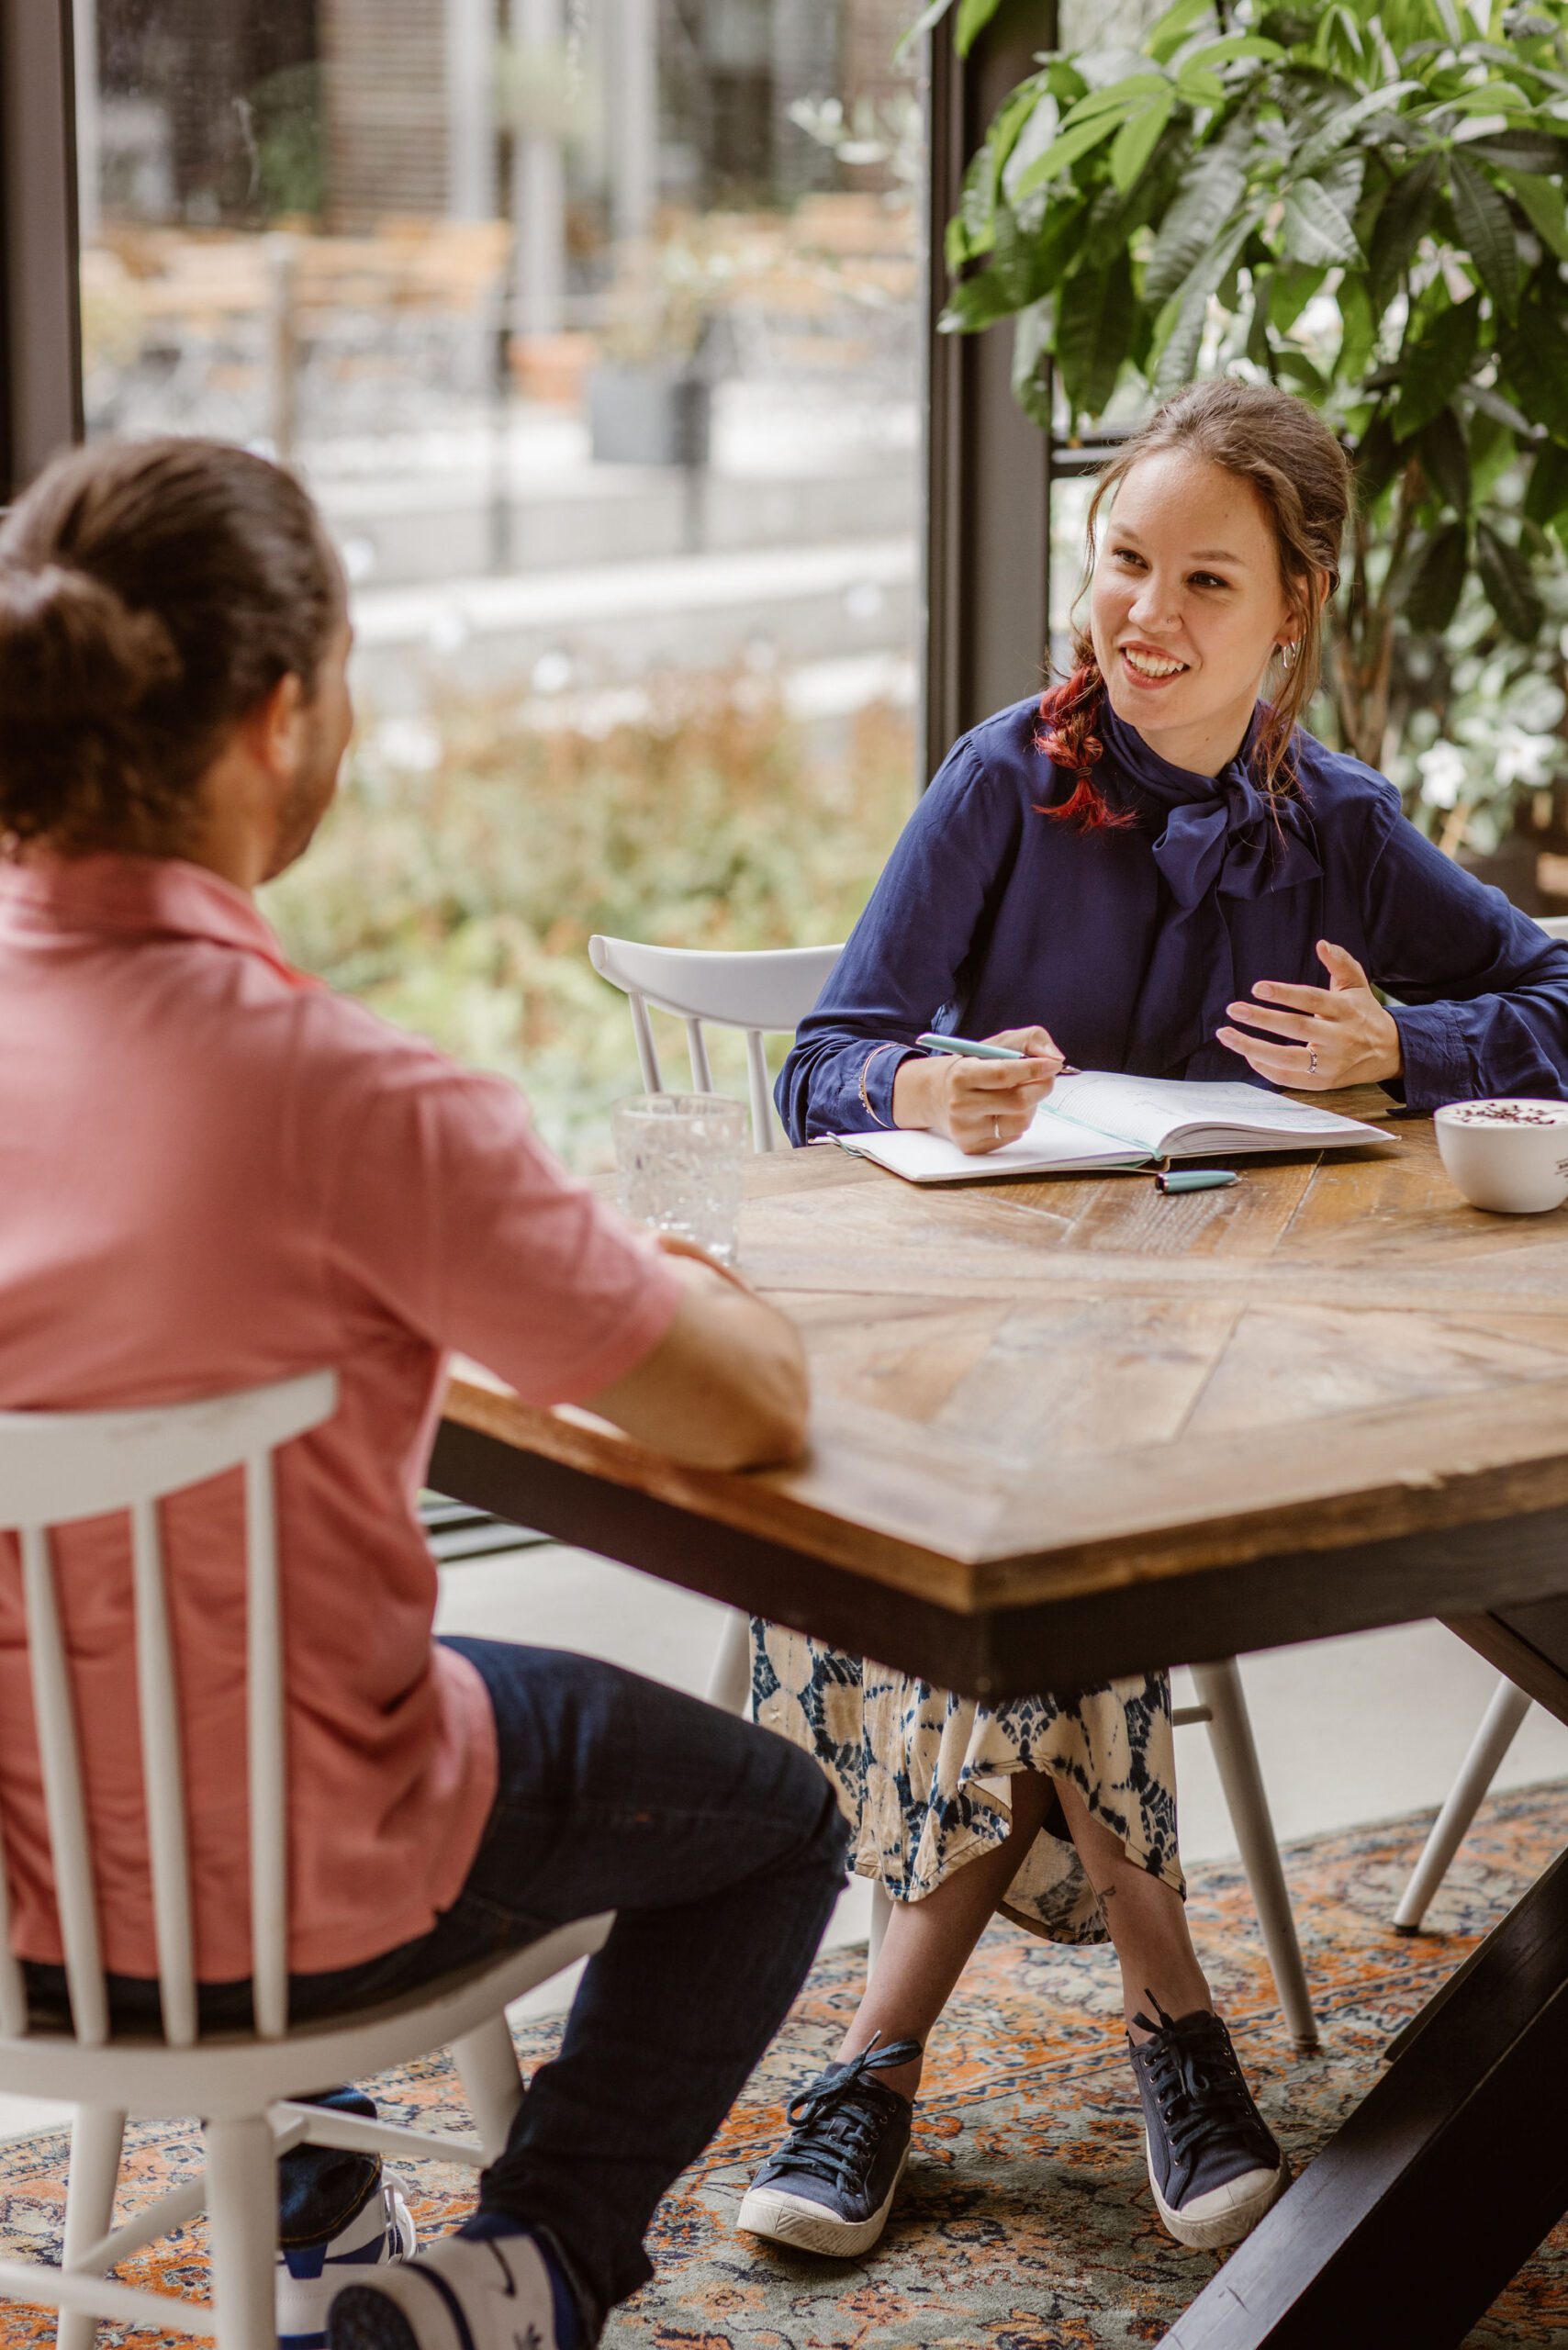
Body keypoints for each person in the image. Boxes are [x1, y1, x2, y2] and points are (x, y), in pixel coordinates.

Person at [0, 436, 850, 2350]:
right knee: (781, 1814)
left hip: (23, 1880)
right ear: (283, 713)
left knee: (223, 1664)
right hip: (310, 1883)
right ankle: (520, 2267)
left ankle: (316, 2179)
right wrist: (685, 1282)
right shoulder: (349, 1101)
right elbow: (738, 1410)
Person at [740, 376, 1568, 2262]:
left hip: (1249, 1371)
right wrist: (916, 1087)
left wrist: (1406, 1043)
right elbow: (824, 1064)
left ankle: (866, 2068)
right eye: (1122, 559)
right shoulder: (999, 784)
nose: (1145, 613)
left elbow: (1552, 997)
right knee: (1041, 1513)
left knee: (1065, 1498)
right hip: (971, 1354)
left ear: (1291, 618)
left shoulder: (1337, 823)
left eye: (1205, 578)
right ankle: (1168, 2014)